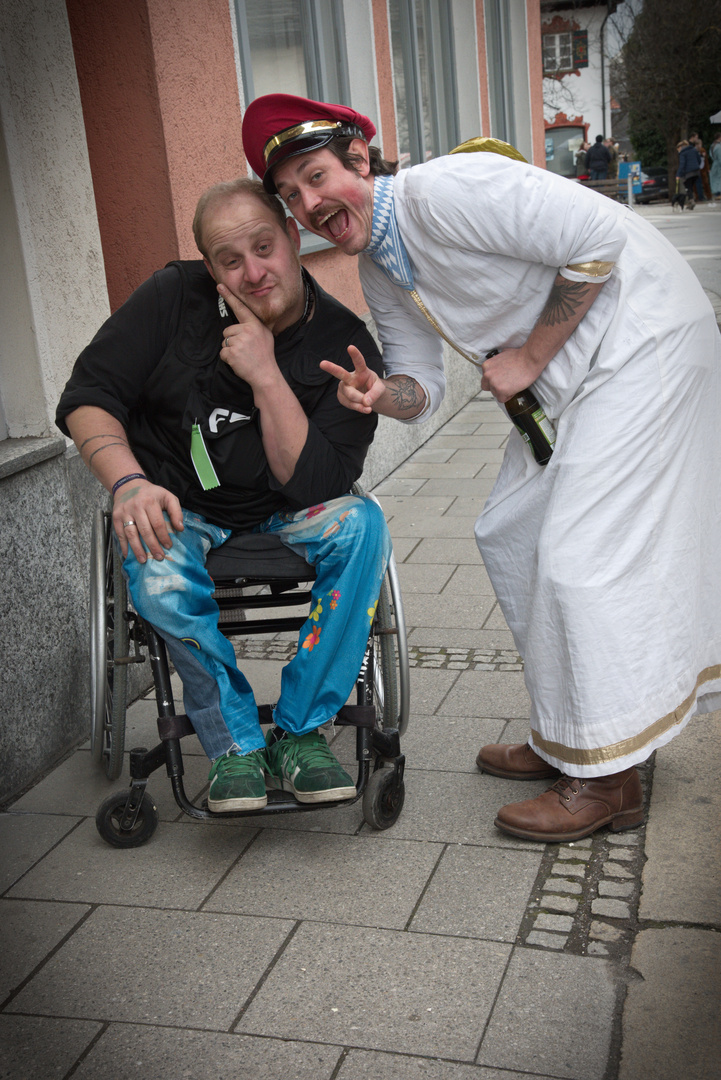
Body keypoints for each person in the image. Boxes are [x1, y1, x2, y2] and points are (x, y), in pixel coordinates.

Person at [240, 93, 721, 843]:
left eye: (316, 176)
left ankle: (607, 781)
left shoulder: (445, 191)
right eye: (291, 195)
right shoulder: (378, 265)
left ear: (358, 161)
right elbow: (420, 385)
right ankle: (571, 733)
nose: (308, 203)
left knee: (579, 555)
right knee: (512, 529)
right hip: (584, 376)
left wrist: (528, 358)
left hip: (645, 346)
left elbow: (596, 234)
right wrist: (379, 396)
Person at [56, 177, 391, 813]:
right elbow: (87, 398)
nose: (253, 272)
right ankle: (235, 741)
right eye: (230, 260)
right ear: (209, 267)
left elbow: (317, 485)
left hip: (287, 511)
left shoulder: (340, 345)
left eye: (264, 247)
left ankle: (299, 734)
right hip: (181, 506)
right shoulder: (169, 300)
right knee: (150, 557)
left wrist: (266, 373)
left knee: (363, 524)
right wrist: (128, 482)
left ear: (293, 238)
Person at [676, 138, 703, 208]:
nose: (678, 151)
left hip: (688, 173)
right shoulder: (694, 150)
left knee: (687, 186)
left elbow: (682, 164)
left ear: (680, 147)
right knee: (691, 186)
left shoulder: (682, 153)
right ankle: (692, 200)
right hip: (697, 172)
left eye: (678, 149)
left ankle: (691, 201)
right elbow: (699, 160)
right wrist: (697, 166)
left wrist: (678, 174)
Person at [689, 133, 710, 201]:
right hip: (697, 168)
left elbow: (705, 161)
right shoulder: (694, 150)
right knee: (698, 183)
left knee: (702, 183)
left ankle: (702, 196)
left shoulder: (702, 150)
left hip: (700, 168)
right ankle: (699, 196)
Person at [710, 132, 721, 201]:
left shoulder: (712, 145)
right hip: (719, 165)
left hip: (714, 164)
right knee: (718, 179)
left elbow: (711, 155)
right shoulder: (719, 146)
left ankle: (717, 193)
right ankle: (718, 193)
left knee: (715, 179)